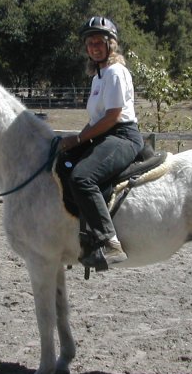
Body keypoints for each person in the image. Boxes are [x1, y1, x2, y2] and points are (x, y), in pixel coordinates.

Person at [59, 16, 144, 267]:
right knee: (62, 163)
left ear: (110, 44)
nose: (94, 47)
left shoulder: (115, 72)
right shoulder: (98, 76)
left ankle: (110, 242)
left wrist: (79, 138)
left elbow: (112, 116)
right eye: (90, 43)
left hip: (122, 135)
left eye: (99, 42)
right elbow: (96, 119)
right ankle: (79, 233)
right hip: (104, 134)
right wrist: (74, 142)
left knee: (82, 178)